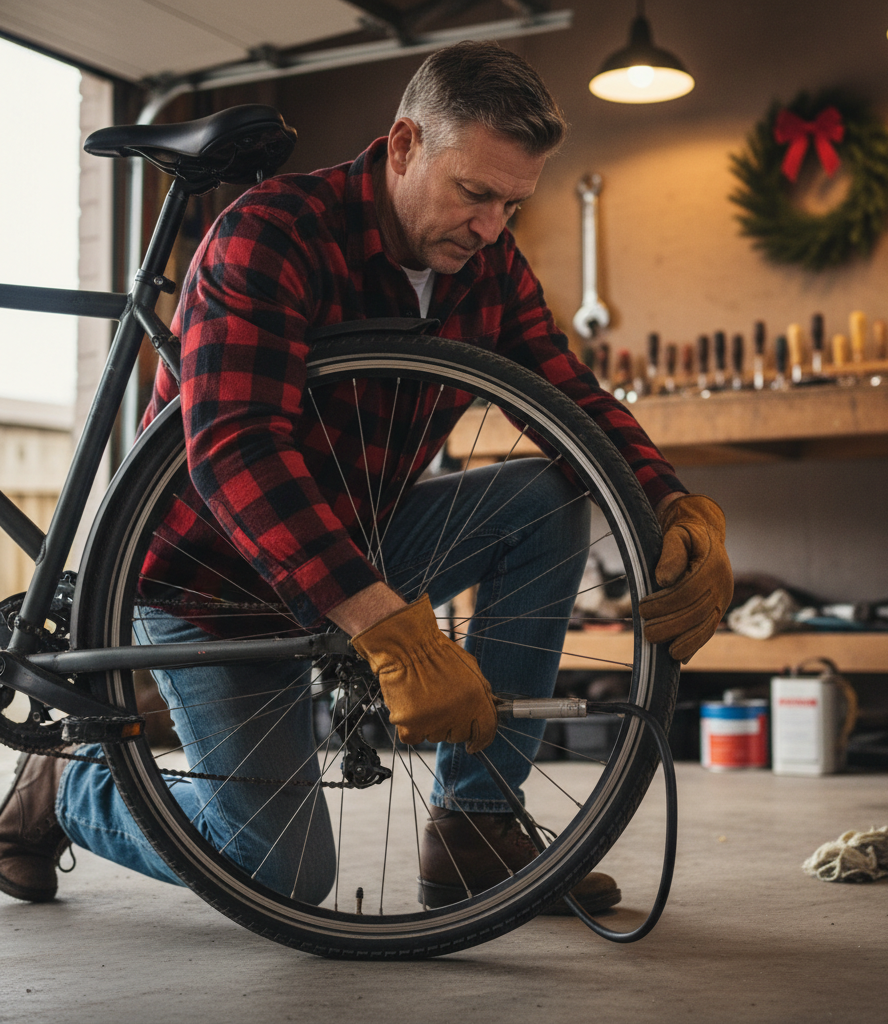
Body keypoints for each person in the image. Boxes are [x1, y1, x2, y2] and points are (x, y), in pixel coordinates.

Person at [0, 42, 732, 913]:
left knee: (546, 498)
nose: (493, 226)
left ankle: (475, 828)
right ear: (403, 146)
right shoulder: (271, 235)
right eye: (473, 193)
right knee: (280, 876)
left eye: (513, 202)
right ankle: (65, 793)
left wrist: (670, 500)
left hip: (353, 541)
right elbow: (235, 447)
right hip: (214, 582)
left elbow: (566, 395)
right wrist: (390, 628)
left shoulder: (487, 264)